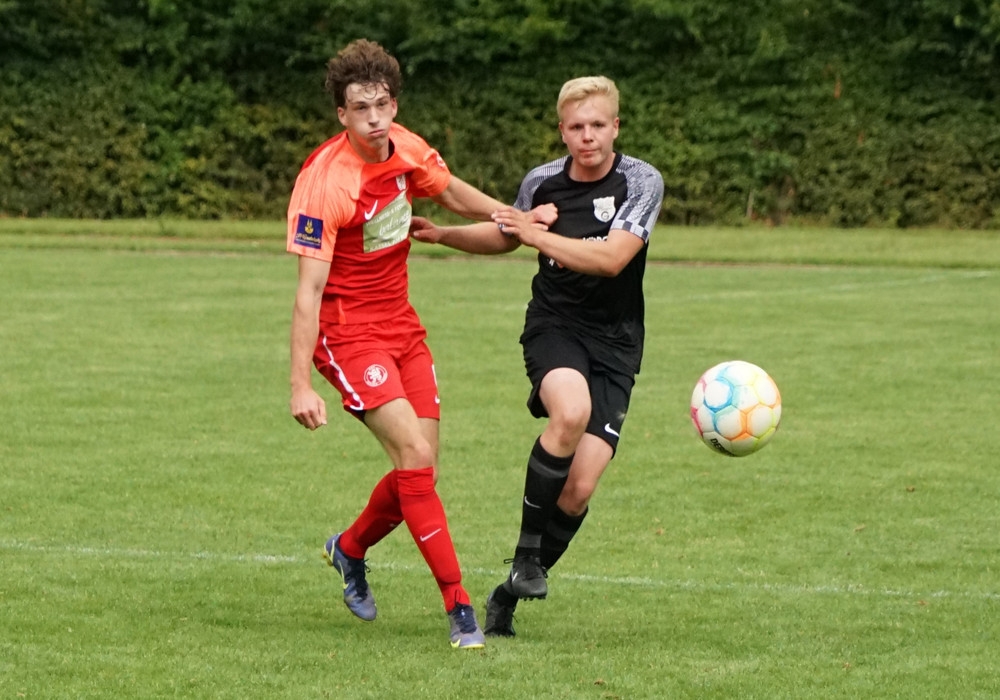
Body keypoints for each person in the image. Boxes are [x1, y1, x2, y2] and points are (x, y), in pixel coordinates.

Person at [286, 38, 550, 649]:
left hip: (402, 325)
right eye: (360, 108)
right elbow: (308, 291)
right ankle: (460, 608)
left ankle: (349, 548)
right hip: (347, 333)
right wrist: (299, 385)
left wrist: (516, 218)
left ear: (394, 105)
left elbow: (453, 193)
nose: (374, 119)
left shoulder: (406, 148)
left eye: (382, 105)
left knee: (420, 467)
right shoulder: (325, 183)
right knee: (411, 450)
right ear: (342, 114)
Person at [409, 75, 664, 637]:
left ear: (616, 127)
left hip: (617, 343)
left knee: (579, 490)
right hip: (555, 327)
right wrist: (445, 235)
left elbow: (612, 260)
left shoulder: (642, 181)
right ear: (562, 131)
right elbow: (505, 235)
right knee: (569, 411)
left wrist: (534, 233)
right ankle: (526, 555)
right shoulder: (542, 181)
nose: (587, 136)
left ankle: (508, 593)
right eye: (576, 127)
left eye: (597, 125)